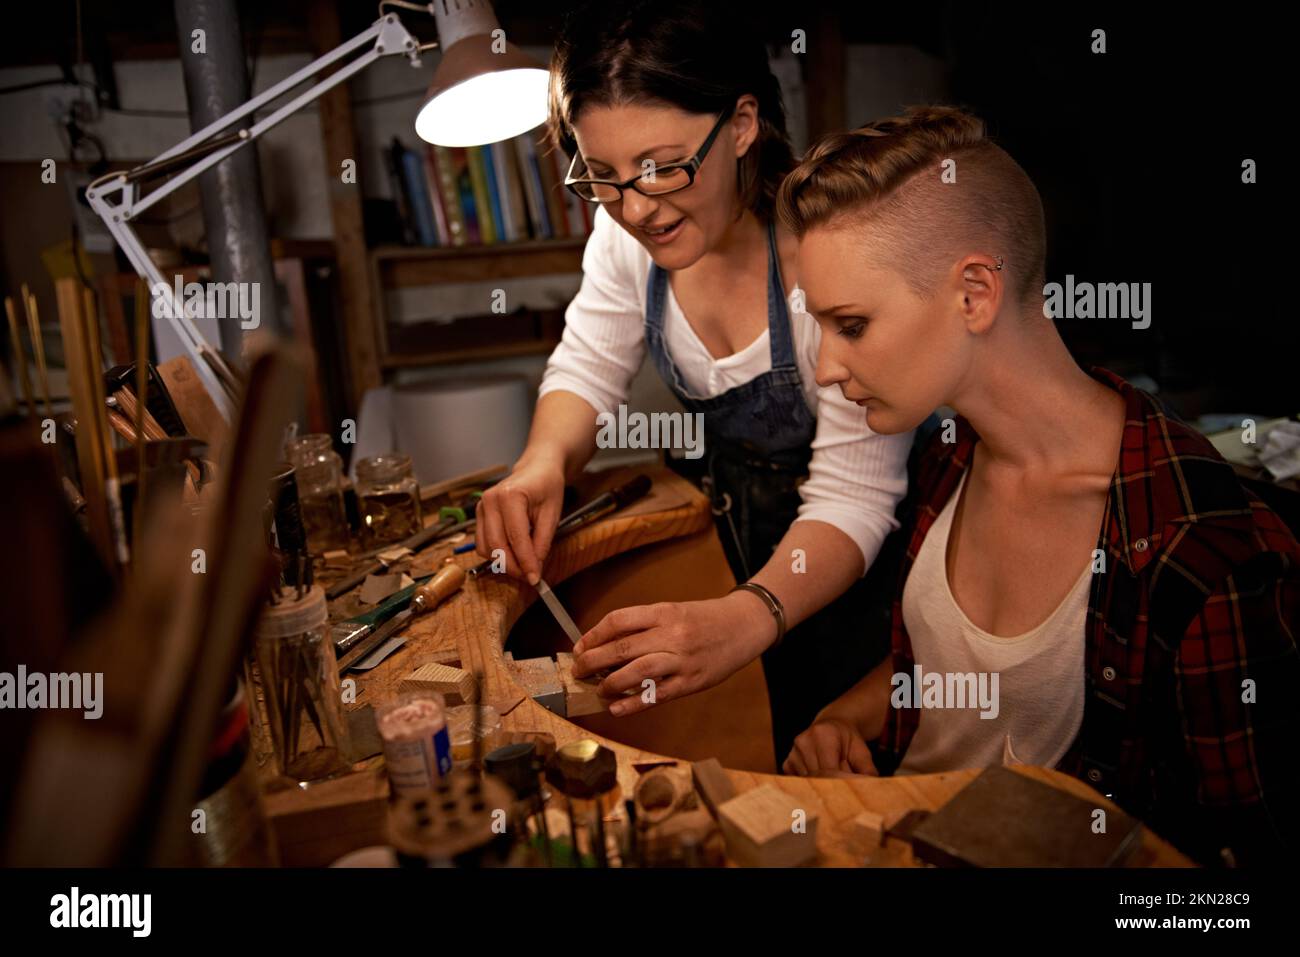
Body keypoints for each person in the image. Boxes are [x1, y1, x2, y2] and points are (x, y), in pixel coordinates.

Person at [776, 105, 1300, 865]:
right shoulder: (950, 456)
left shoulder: (1206, 551)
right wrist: (843, 717)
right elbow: (946, 667)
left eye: (850, 324)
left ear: (975, 294)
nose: (825, 365)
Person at [473, 0, 911, 763]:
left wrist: (748, 616)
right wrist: (540, 463)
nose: (636, 207)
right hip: (733, 557)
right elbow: (586, 364)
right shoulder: (624, 235)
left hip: (861, 587)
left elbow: (856, 495)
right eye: (601, 176)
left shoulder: (827, 255)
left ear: (741, 124)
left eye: (660, 166)